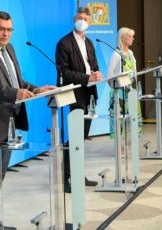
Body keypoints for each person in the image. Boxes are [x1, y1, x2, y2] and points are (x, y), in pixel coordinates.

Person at [0, 11, 56, 230]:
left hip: (7, 123)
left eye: (9, 30)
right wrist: (15, 93)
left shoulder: (9, 50)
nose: (5, 34)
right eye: (1, 29)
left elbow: (15, 80)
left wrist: (35, 89)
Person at [55, 7, 102, 193]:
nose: (82, 21)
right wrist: (87, 77)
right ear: (74, 19)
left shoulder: (89, 42)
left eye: (85, 18)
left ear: (89, 23)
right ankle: (66, 177)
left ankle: (77, 173)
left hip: (90, 94)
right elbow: (63, 72)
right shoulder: (64, 43)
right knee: (74, 138)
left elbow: (93, 65)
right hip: (75, 95)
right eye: (79, 18)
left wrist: (96, 74)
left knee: (81, 138)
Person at [107, 27, 142, 142]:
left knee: (133, 118)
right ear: (122, 38)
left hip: (132, 91)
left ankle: (132, 143)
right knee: (119, 120)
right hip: (119, 93)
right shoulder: (116, 54)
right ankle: (119, 146)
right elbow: (109, 76)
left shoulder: (131, 53)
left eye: (133, 36)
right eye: (130, 36)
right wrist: (116, 88)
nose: (132, 39)